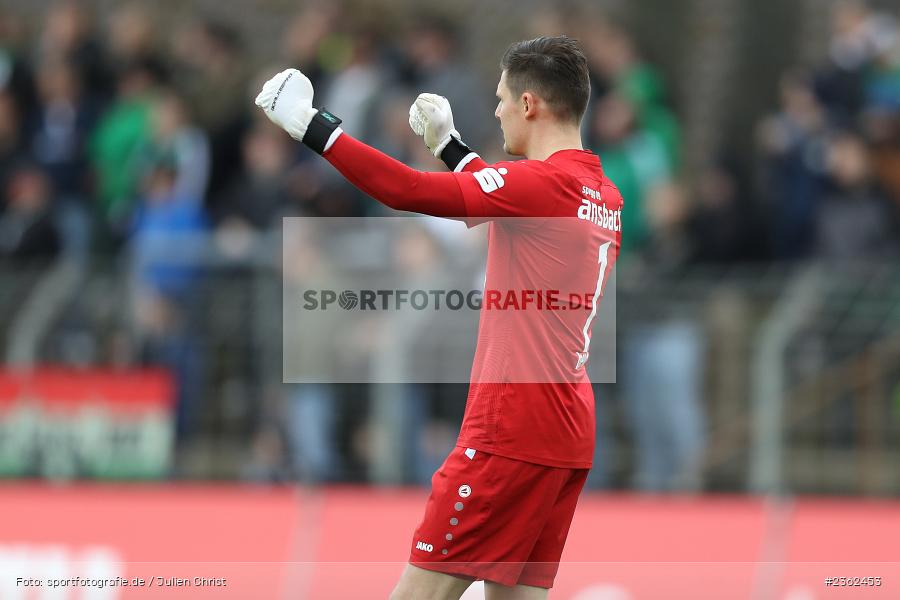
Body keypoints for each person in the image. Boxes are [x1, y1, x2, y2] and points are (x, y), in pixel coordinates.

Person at [256, 35, 622, 600]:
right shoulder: (602, 193)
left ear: (529, 105)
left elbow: (408, 191)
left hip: (510, 429)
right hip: (567, 427)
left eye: (502, 99)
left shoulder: (543, 185)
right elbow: (513, 210)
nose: (496, 110)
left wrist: (313, 127)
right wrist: (452, 147)